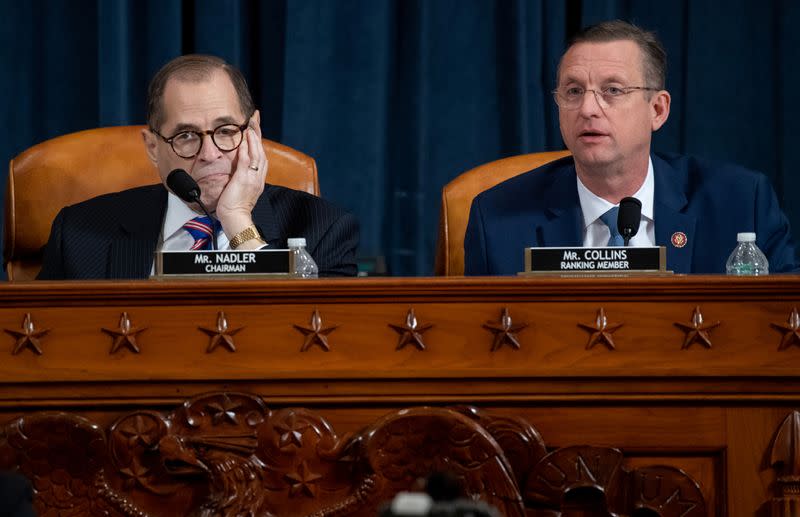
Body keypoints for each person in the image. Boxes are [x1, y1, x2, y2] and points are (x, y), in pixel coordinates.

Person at [464, 20, 797, 275]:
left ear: (657, 110)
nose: (588, 109)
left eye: (612, 90)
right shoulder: (497, 220)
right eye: (574, 91)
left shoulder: (740, 203)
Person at [38, 55, 359, 279]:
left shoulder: (323, 229)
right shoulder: (79, 235)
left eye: (226, 131)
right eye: (186, 135)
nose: (209, 153)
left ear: (255, 131)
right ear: (153, 147)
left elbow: (315, 344)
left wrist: (236, 222)